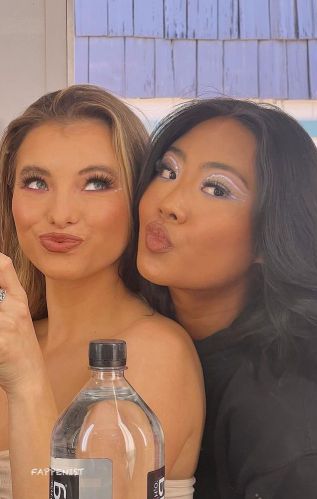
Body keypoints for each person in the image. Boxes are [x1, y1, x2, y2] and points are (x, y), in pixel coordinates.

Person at [135, 98, 317, 499]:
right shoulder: (149, 345)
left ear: (269, 238)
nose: (169, 203)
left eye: (216, 189)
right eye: (168, 171)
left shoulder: (286, 421)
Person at [0, 85, 205, 499]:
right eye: (36, 182)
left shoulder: (155, 353)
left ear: (138, 200)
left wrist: (26, 382)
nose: (60, 214)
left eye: (96, 184)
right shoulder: (17, 340)